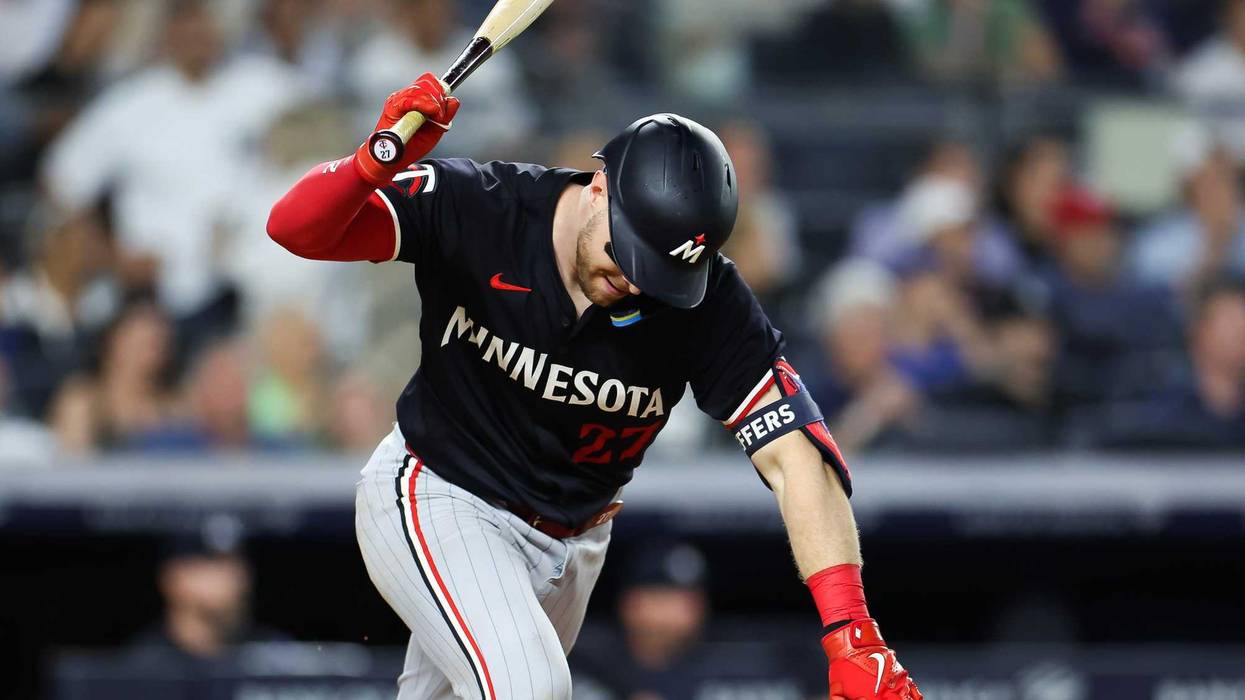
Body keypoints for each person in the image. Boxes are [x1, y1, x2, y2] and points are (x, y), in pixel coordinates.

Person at [267, 75, 921, 699]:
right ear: (600, 186)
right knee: (529, 688)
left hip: (574, 542)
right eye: (631, 252)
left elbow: (796, 456)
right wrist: (371, 165)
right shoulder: (485, 206)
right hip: (440, 494)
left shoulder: (706, 301)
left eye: (659, 270)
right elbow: (294, 229)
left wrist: (851, 632)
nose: (636, 280)